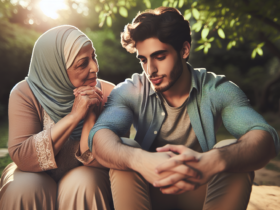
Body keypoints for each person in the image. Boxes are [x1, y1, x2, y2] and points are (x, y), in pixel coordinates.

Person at [89, 7, 280, 210]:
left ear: (184, 50)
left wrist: (213, 160)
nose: (150, 70)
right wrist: (138, 159)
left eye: (160, 56)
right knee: (125, 154)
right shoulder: (130, 90)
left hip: (200, 190)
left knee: (230, 153)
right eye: (143, 59)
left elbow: (264, 137)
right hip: (152, 190)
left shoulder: (216, 90)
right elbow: (100, 136)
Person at [0, 25, 147, 210]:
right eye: (82, 63)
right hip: (32, 174)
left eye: (94, 57)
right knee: (24, 187)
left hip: (88, 173)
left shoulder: (110, 93)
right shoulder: (25, 93)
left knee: (85, 183)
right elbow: (23, 157)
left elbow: (101, 159)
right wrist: (74, 115)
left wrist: (90, 116)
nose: (95, 67)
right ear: (56, 68)